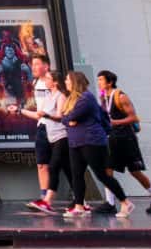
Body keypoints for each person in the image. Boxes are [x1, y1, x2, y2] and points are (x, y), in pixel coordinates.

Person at [55, 67, 126, 216]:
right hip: (76, 143)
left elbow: (70, 117)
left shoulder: (86, 98)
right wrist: (69, 120)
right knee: (77, 174)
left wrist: (69, 119)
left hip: (90, 141)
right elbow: (65, 118)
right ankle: (79, 206)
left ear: (75, 82)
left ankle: (125, 202)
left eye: (68, 80)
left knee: (101, 174)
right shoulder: (71, 99)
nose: (66, 82)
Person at [96, 70, 151, 214]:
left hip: (126, 138)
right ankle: (110, 203)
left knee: (134, 171)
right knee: (107, 168)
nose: (99, 83)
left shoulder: (120, 96)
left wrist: (115, 122)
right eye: (98, 80)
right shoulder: (103, 97)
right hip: (112, 138)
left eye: (101, 80)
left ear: (110, 82)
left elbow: (133, 117)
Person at [27, 61, 69, 215]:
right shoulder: (49, 95)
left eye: (49, 79)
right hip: (51, 134)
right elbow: (39, 114)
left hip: (61, 135)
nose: (47, 81)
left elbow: (60, 116)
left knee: (55, 166)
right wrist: (19, 110)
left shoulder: (61, 95)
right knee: (68, 170)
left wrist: (47, 115)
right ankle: (79, 202)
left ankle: (47, 200)